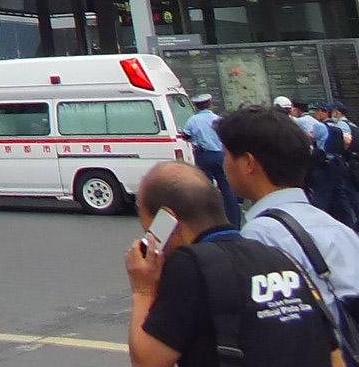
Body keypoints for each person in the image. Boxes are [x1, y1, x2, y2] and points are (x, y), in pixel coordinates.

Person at [128, 160, 334, 366]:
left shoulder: (189, 264)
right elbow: (335, 354)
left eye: (150, 230)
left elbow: (148, 360)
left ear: (168, 220)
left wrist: (143, 290)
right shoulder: (282, 258)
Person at [220, 104, 359, 334]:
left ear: (247, 163)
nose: (223, 164)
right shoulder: (339, 229)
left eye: (226, 155)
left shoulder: (260, 236)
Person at [182, 93, 238, 225]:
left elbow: (185, 135)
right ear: (210, 105)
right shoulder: (218, 119)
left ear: (196, 107)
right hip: (220, 155)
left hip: (204, 155)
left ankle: (209, 221)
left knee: (206, 189)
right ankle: (234, 221)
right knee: (226, 188)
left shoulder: (192, 120)